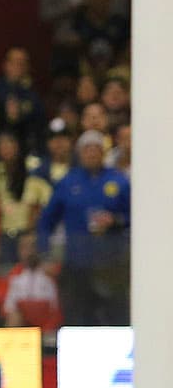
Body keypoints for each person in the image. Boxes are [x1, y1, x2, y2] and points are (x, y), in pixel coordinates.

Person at [37, 130, 130, 326]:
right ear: (79, 153)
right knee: (77, 317)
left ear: (103, 152)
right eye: (87, 149)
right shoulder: (68, 182)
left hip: (112, 265)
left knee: (115, 317)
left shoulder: (119, 181)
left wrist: (115, 220)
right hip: (77, 265)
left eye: (96, 149)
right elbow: (46, 220)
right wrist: (46, 255)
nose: (92, 153)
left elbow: (135, 218)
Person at [0, 133, 51, 265]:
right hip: (4, 235)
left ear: (18, 148)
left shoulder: (33, 170)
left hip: (27, 235)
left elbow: (47, 201)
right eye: (3, 146)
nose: (6, 150)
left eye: (10, 145)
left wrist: (35, 227)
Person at [0, 48, 45, 157]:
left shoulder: (32, 94)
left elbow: (39, 124)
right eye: (14, 63)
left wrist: (20, 116)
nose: (18, 67)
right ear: (6, 65)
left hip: (25, 148)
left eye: (22, 63)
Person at [3, 233, 62, 331]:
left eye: (33, 246)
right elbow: (8, 308)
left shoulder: (53, 273)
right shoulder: (13, 276)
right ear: (19, 251)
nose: (29, 251)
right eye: (24, 247)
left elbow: (57, 308)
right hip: (23, 325)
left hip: (49, 324)